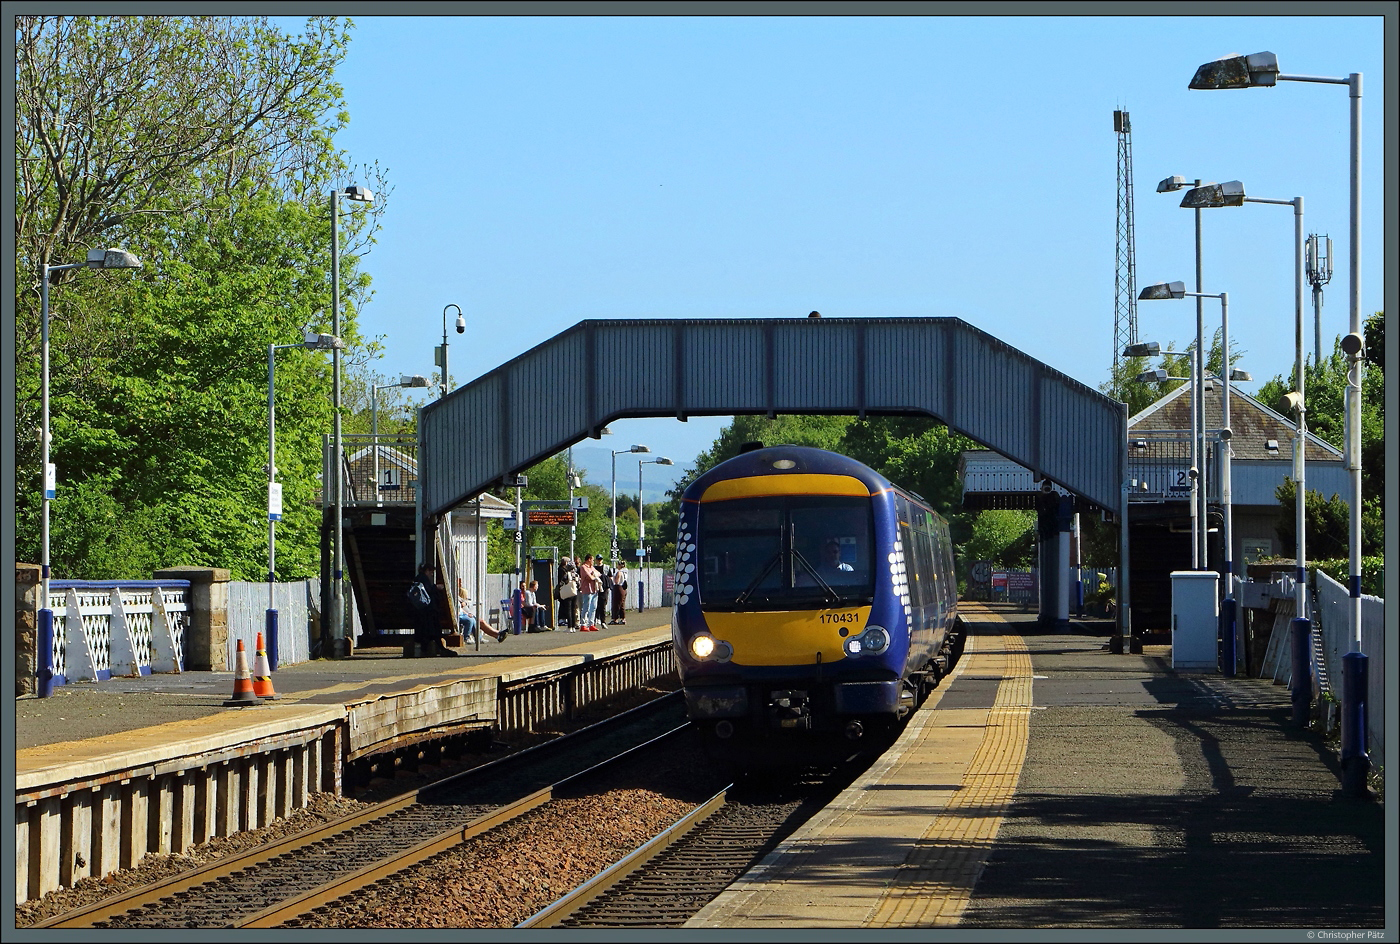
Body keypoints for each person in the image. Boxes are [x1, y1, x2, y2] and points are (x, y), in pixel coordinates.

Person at [408, 562, 457, 657]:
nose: (432, 574)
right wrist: (436, 587)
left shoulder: (418, 578)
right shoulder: (423, 579)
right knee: (433, 630)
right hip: (428, 610)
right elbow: (428, 590)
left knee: (427, 632)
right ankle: (438, 649)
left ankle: (426, 650)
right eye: (431, 571)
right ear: (426, 570)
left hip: (422, 611)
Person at [577, 554, 601, 631]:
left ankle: (591, 623)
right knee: (586, 607)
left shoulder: (591, 567)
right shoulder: (583, 567)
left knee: (593, 607)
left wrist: (594, 575)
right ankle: (583, 624)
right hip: (587, 589)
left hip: (594, 589)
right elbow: (589, 577)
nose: (593, 561)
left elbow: (599, 574)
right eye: (593, 560)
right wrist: (594, 576)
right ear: (589, 559)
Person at [556, 557, 579, 631]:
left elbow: (562, 582)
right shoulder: (576, 574)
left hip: (568, 593)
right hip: (574, 592)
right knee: (573, 609)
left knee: (568, 610)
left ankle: (569, 627)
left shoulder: (567, 574)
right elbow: (579, 584)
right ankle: (573, 626)